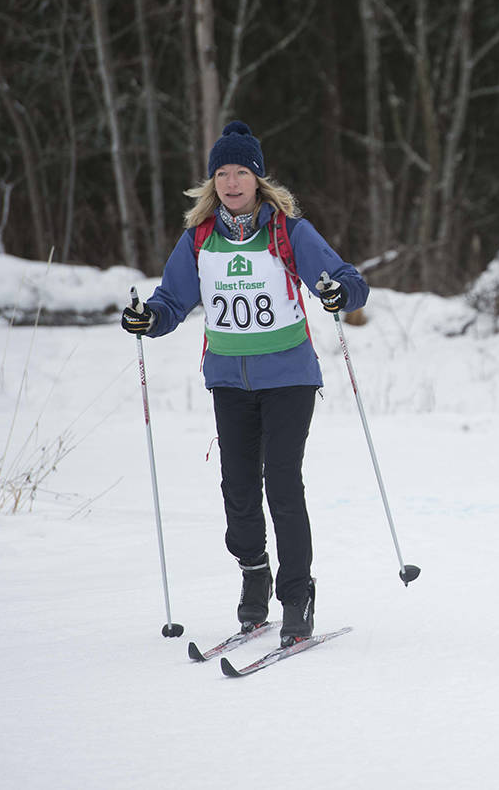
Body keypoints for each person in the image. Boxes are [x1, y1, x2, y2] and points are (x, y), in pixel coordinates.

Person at [121, 121, 368, 646]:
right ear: (212, 182)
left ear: (258, 178)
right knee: (237, 489)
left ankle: (297, 596)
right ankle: (254, 576)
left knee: (281, 483)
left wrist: (336, 293)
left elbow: (348, 280)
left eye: (241, 172)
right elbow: (171, 301)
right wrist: (148, 319)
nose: (231, 182)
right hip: (229, 381)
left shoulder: (287, 231)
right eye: (222, 173)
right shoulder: (200, 239)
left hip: (288, 378)